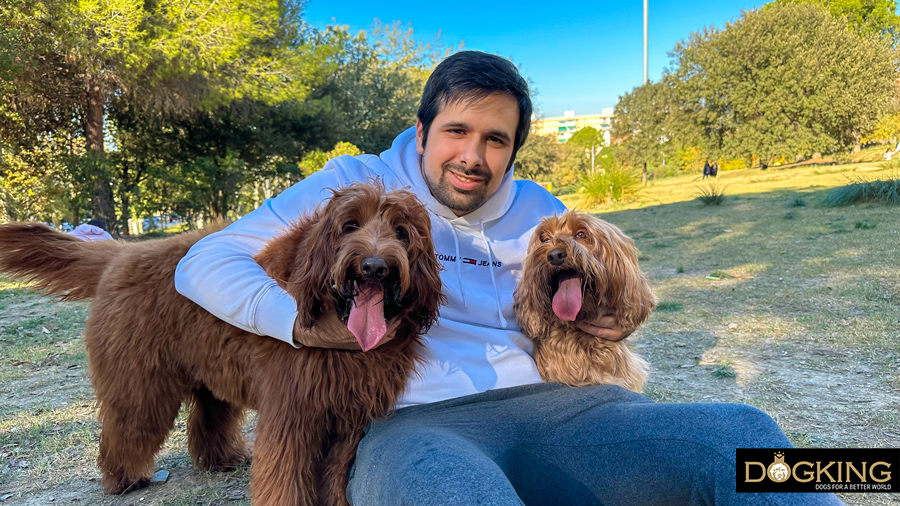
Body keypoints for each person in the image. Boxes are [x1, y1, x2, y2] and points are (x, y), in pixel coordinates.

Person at [175, 51, 842, 505]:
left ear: (515, 148)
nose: (473, 156)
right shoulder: (352, 184)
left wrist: (618, 314)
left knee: (741, 433)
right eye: (457, 131)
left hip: (568, 412)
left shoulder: (541, 209)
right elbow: (201, 264)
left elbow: (608, 279)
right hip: (413, 426)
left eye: (496, 140)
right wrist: (298, 325)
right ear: (422, 128)